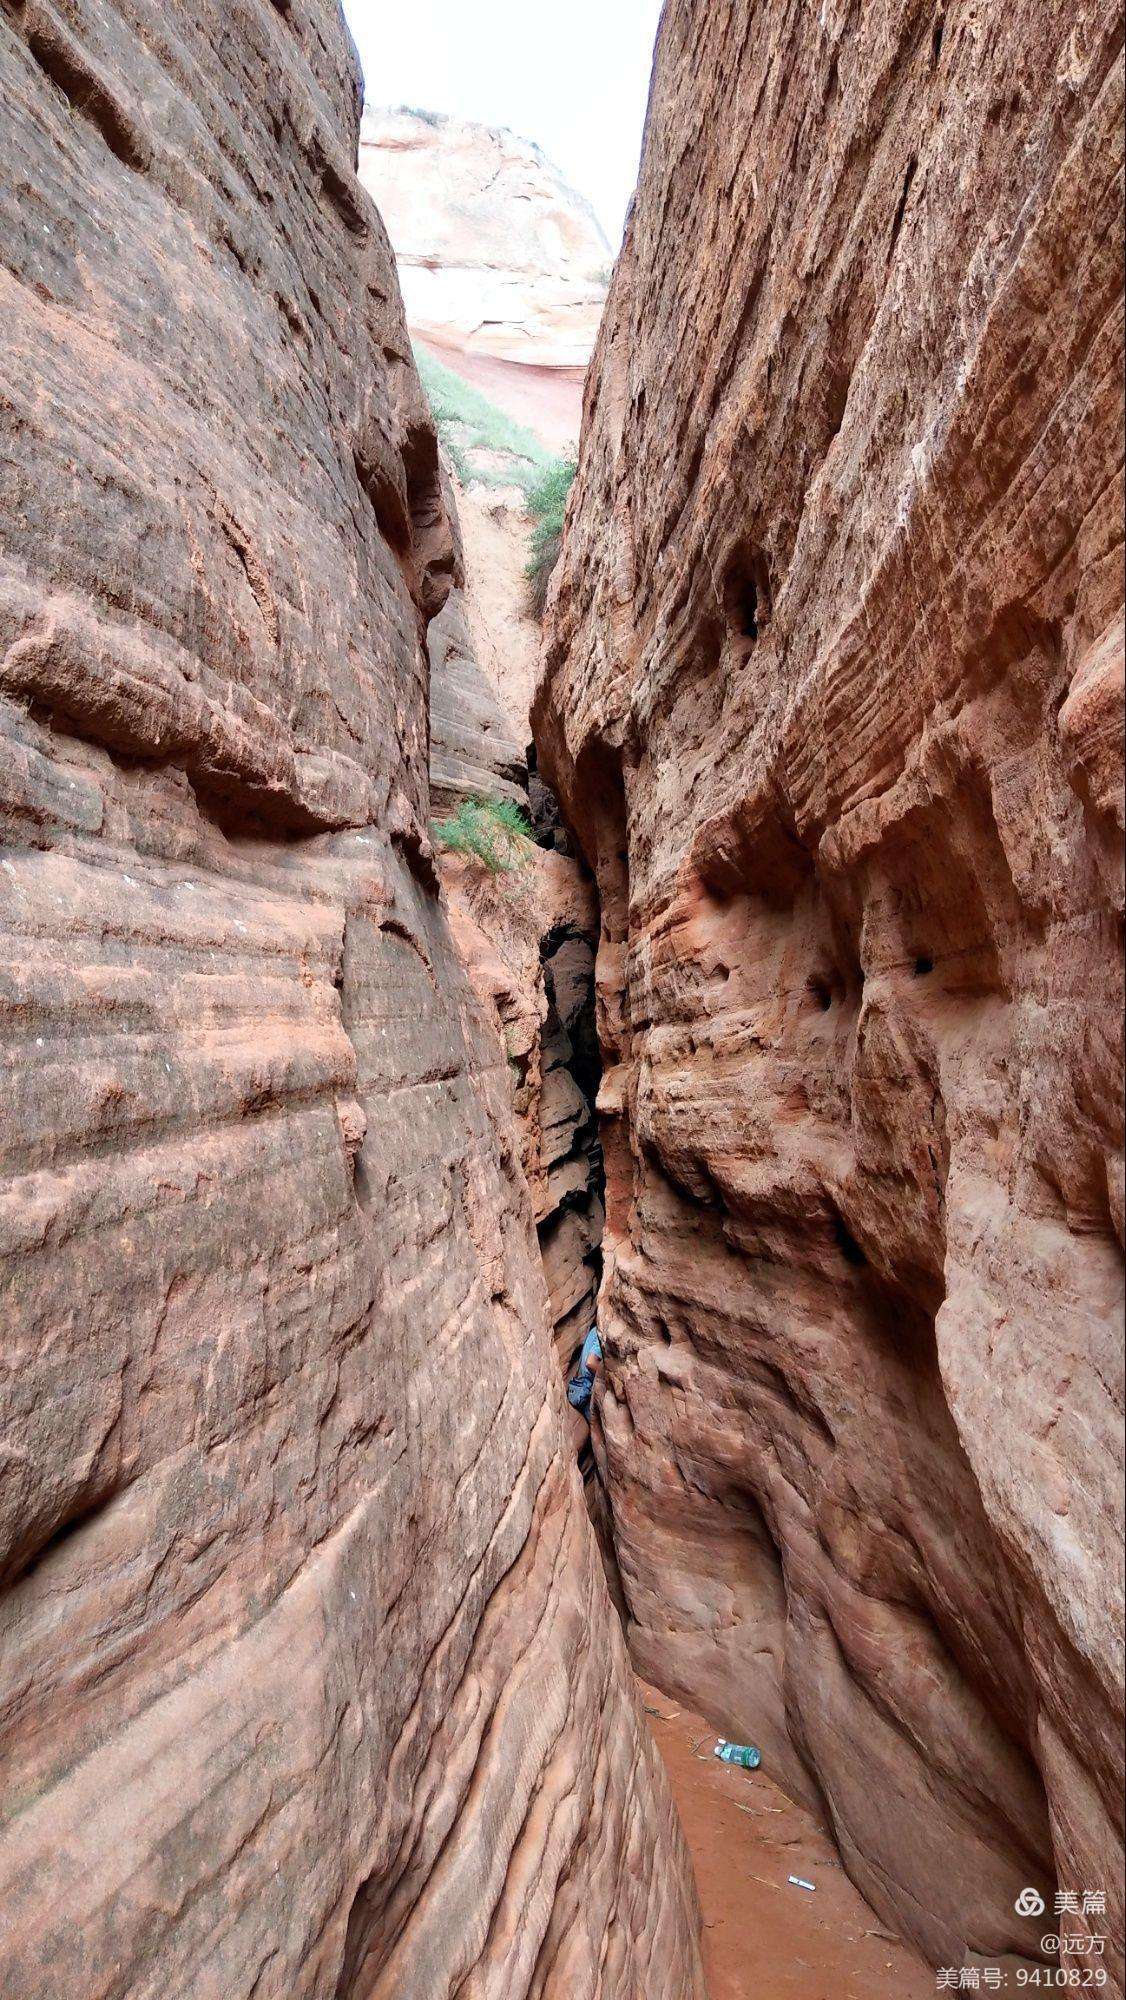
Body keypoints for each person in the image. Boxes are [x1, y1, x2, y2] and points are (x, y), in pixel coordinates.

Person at [567, 1326, 602, 1416]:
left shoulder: (595, 1330)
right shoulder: (601, 1335)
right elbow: (590, 1362)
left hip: (582, 1385)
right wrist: (608, 1375)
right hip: (587, 1390)